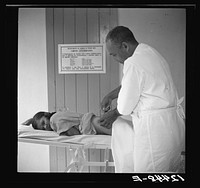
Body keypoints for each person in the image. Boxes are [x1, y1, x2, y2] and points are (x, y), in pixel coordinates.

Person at [100, 26, 185, 172]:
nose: (114, 59)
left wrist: (112, 115)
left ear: (125, 46)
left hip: (155, 133)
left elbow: (124, 108)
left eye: (113, 54)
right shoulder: (150, 52)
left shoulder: (132, 62)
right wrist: (110, 95)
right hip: (172, 127)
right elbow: (136, 83)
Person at [22, 110, 111, 136]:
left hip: (91, 125)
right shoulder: (56, 115)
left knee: (119, 132)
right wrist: (31, 120)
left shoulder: (53, 122)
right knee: (119, 128)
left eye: (43, 123)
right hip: (92, 120)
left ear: (46, 115)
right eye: (43, 128)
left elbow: (74, 132)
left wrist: (63, 134)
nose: (46, 126)